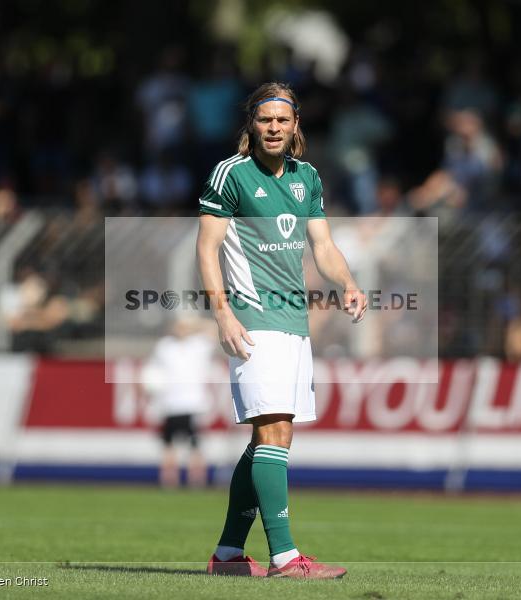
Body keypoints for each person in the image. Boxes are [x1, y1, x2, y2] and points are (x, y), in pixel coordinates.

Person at [197, 82, 367, 579]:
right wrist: (222, 312)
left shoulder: (306, 177)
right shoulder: (230, 174)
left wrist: (349, 282)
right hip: (252, 320)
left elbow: (324, 246)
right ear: (251, 124)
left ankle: (228, 554)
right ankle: (286, 558)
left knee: (265, 442)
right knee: (275, 433)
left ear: (295, 126)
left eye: (283, 120)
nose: (274, 128)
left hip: (294, 323)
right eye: (265, 119)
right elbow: (207, 248)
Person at [142, 317, 215, 488]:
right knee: (168, 443)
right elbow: (152, 372)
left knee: (195, 443)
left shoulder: (199, 345)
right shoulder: (165, 346)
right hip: (169, 404)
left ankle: (197, 481)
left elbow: (213, 327)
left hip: (193, 403)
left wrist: (193, 324)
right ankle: (169, 480)